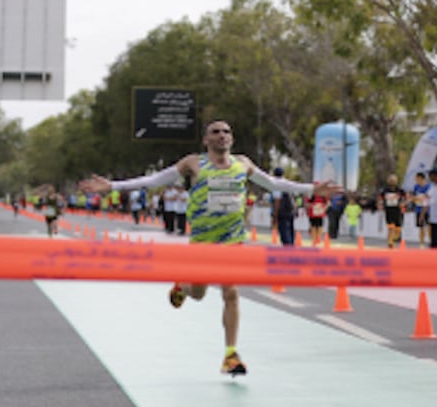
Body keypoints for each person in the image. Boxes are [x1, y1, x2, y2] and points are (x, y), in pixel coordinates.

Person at [79, 120, 339, 376]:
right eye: (215, 132)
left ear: (232, 139)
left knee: (231, 293)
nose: (222, 135)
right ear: (206, 140)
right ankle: (183, 285)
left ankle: (230, 354)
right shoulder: (193, 163)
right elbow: (153, 180)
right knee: (200, 294)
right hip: (203, 242)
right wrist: (112, 186)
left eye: (226, 131)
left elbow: (274, 184)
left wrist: (312, 189)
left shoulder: (243, 164)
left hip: (232, 240)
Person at [378, 174, 407, 249]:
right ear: (388, 181)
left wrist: (403, 203)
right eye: (391, 180)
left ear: (396, 181)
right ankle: (390, 243)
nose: (392, 181)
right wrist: (380, 204)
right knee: (390, 227)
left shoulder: (400, 190)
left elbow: (406, 198)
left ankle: (393, 239)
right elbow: (380, 198)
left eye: (393, 180)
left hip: (398, 211)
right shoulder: (385, 190)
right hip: (389, 210)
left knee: (398, 229)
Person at [271, 167, 296, 246]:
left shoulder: (276, 184)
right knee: (291, 231)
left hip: (282, 212)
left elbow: (277, 201)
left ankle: (288, 250)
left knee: (284, 232)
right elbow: (292, 198)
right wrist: (295, 209)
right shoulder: (287, 183)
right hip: (290, 211)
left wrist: (275, 214)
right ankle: (292, 247)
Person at [411, 171, 430, 247]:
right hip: (418, 209)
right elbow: (413, 197)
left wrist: (421, 198)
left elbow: (429, 197)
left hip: (428, 210)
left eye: (416, 178)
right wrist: (417, 198)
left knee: (429, 227)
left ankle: (432, 243)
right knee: (421, 227)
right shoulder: (416, 187)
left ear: (421, 178)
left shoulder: (429, 186)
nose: (415, 180)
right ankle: (421, 244)